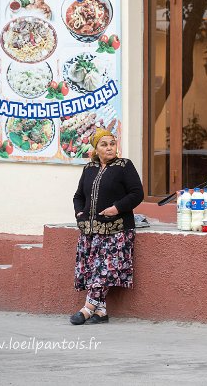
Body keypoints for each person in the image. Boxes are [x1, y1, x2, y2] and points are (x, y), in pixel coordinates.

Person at [70, 128, 144, 325]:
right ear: (96, 149)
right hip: (90, 231)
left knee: (104, 270)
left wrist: (117, 208)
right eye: (104, 144)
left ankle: (88, 308)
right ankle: (101, 312)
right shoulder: (89, 169)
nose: (110, 148)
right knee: (93, 270)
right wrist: (79, 213)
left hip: (117, 230)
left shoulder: (124, 166)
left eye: (112, 143)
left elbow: (137, 193)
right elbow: (78, 196)